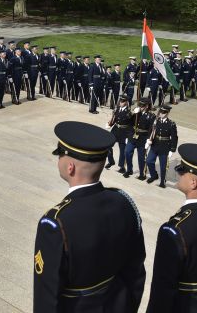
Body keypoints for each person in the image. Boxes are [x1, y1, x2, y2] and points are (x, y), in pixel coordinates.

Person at [34, 121, 145, 312]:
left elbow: (47, 298)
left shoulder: (54, 223)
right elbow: (135, 272)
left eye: (60, 155)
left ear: (70, 167)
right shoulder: (124, 202)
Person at [146, 144, 197, 313]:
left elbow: (162, 290)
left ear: (193, 183)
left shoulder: (175, 230)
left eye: (182, 170)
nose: (178, 173)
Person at [145, 105, 179, 187]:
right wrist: (148, 140)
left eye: (163, 112)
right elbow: (151, 131)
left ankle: (162, 181)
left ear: (167, 113)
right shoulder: (156, 121)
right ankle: (154, 175)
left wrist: (172, 149)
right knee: (149, 161)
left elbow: (174, 138)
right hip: (155, 145)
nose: (161, 114)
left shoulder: (171, 124)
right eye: (160, 112)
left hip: (164, 147)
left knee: (163, 166)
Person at [125, 97, 156, 179]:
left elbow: (151, 130)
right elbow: (127, 120)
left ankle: (142, 174)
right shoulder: (136, 111)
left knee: (141, 157)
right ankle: (129, 169)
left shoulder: (151, 116)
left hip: (143, 138)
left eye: (142, 106)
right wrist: (132, 113)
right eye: (140, 105)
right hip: (133, 135)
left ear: (147, 106)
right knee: (127, 152)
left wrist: (149, 140)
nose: (140, 107)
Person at [106, 94, 132, 174]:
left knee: (122, 150)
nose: (121, 102)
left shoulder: (129, 112)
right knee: (107, 145)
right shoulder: (117, 109)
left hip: (124, 132)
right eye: (120, 101)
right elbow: (114, 119)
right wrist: (109, 124)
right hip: (115, 129)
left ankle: (122, 167)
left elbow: (131, 124)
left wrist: (129, 136)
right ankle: (111, 161)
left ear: (127, 102)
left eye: (123, 101)